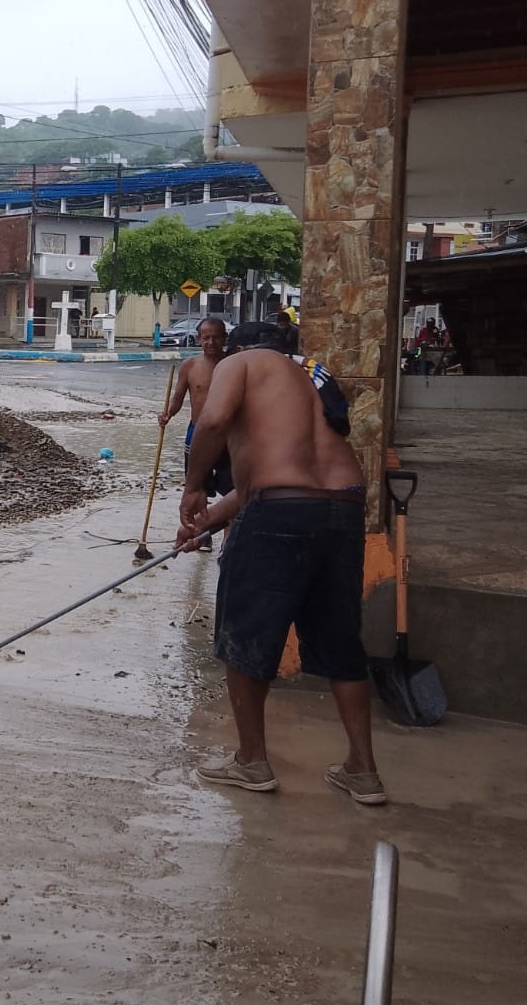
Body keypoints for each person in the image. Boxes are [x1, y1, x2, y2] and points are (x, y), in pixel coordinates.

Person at [177, 325, 384, 806]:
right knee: (340, 639)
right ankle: (363, 770)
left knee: (244, 634)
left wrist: (193, 486)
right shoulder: (312, 377)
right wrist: (205, 522)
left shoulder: (242, 364)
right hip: (343, 510)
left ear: (242, 346)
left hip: (280, 511)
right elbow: (265, 487)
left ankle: (251, 761)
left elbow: (210, 422)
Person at [159, 316, 230, 549]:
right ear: (199, 340)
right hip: (197, 432)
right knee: (197, 485)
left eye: (216, 337)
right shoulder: (190, 366)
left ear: (224, 339)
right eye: (206, 337)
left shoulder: (233, 365)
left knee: (231, 489)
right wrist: (168, 413)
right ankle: (201, 533)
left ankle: (229, 542)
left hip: (228, 434)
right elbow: (178, 397)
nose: (210, 342)